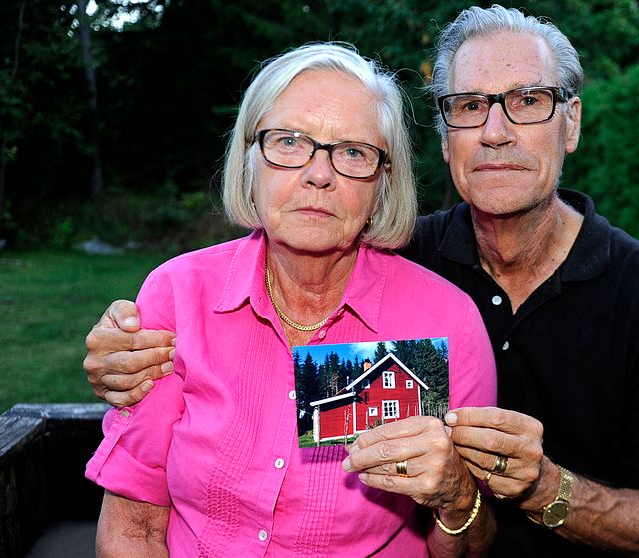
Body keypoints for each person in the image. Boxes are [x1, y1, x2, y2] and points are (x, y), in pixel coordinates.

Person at [84, 6, 639, 557]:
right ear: (444, 139)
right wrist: (123, 349)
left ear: (571, 123)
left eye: (528, 101)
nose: (496, 131)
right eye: (470, 107)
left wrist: (541, 485)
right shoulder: (388, 253)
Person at [85, 42, 498, 557]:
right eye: (288, 141)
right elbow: (134, 522)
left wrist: (458, 497)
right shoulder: (176, 295)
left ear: (383, 184)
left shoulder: (444, 321)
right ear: (250, 158)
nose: (318, 174)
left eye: (352, 152)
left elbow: (472, 545)